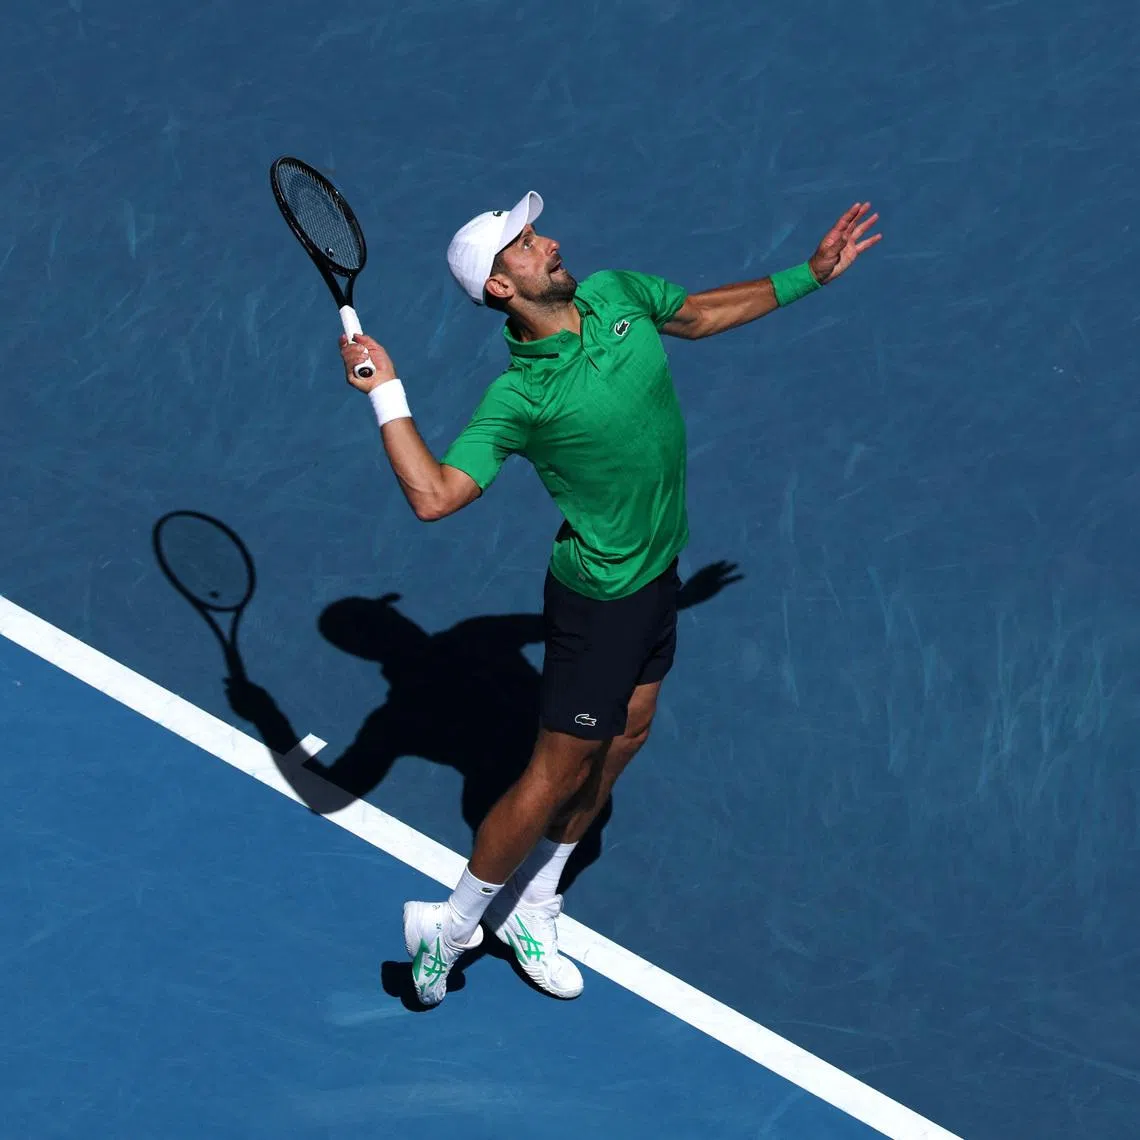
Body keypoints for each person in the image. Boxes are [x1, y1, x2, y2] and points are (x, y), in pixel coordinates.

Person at [338, 192, 881, 1007]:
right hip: (599, 604)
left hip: (658, 575)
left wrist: (810, 275)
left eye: (537, 232)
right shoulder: (519, 401)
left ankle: (537, 901)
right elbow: (436, 495)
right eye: (524, 245)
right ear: (500, 288)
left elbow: (696, 316)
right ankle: (447, 933)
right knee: (552, 776)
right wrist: (387, 392)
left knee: (627, 735)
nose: (549, 242)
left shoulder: (619, 293)